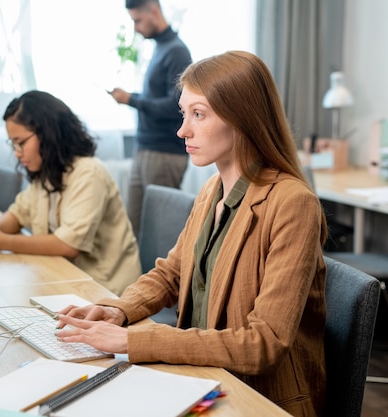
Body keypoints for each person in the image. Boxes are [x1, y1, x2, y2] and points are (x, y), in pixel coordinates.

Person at [56, 51, 328, 417]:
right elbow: (171, 274)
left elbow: (263, 343)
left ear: (243, 118)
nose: (183, 130)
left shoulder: (292, 203)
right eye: (185, 114)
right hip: (201, 381)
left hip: (256, 398)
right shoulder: (210, 191)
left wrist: (136, 340)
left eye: (198, 114)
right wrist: (116, 311)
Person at [0, 90, 141, 296]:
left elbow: (68, 244)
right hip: (65, 278)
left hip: (104, 290)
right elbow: (18, 214)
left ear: (48, 133)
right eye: (13, 144)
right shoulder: (48, 171)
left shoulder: (89, 173)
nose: (17, 153)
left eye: (21, 142)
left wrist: (0, 241)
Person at [109, 0, 192, 238]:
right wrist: (131, 97)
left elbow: (177, 105)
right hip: (146, 148)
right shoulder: (161, 48)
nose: (135, 27)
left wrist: (131, 100)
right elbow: (157, 98)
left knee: (161, 234)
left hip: (164, 152)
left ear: (154, 12)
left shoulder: (177, 51)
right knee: (135, 229)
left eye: (137, 20)